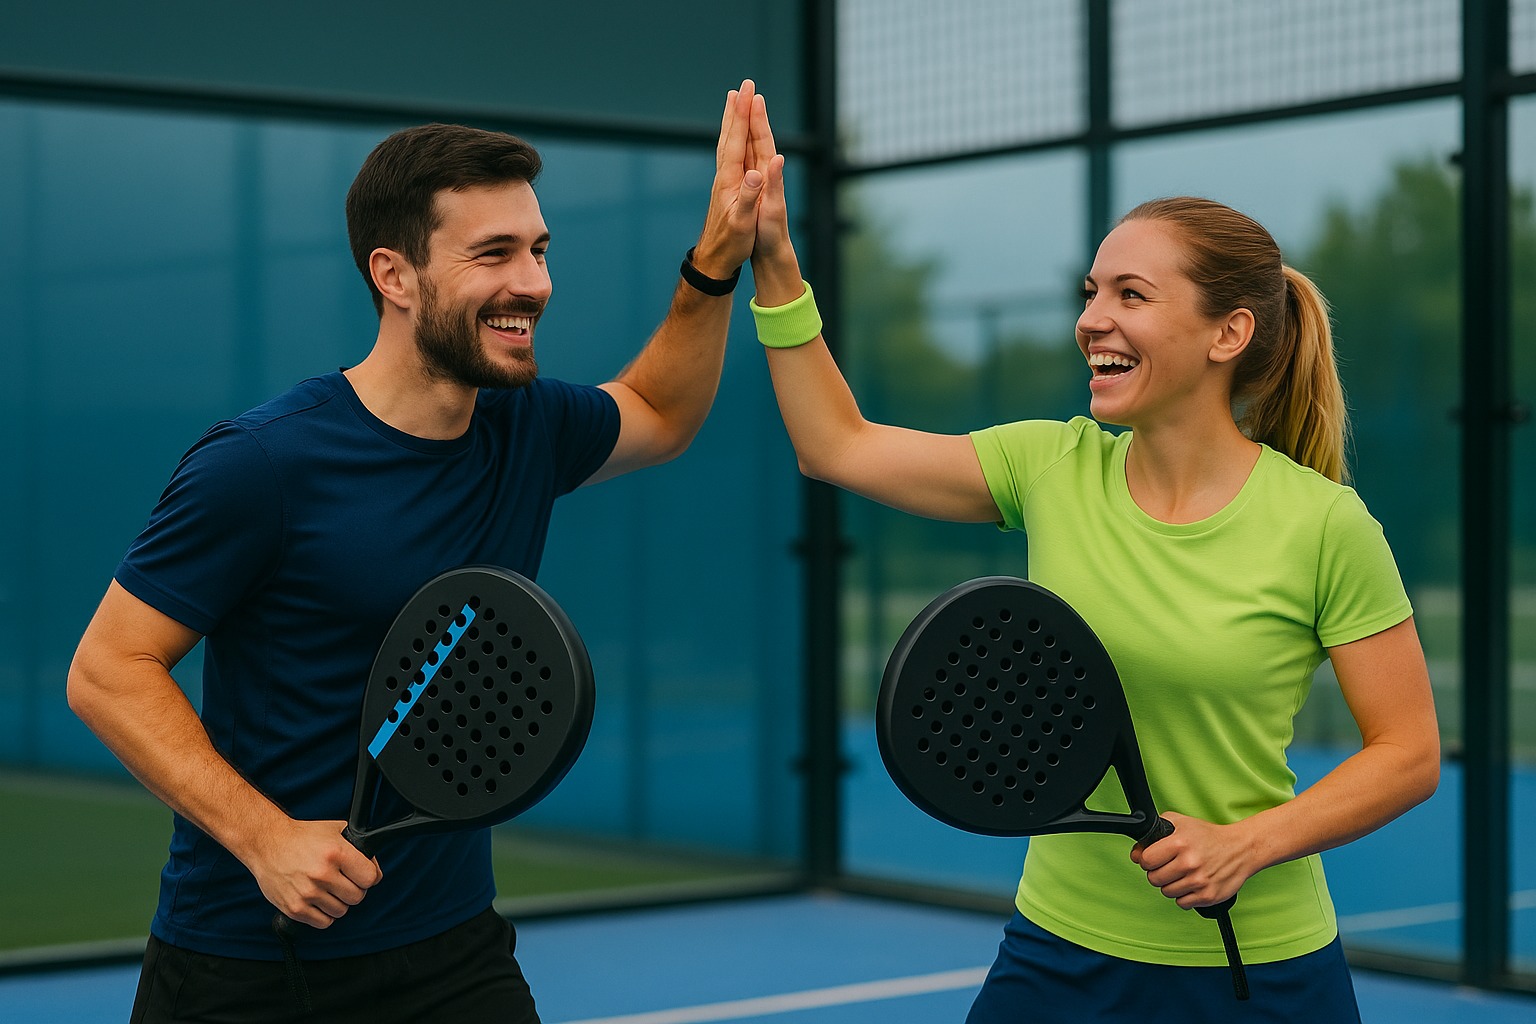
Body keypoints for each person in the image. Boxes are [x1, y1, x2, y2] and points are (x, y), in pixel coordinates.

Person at [66, 80, 775, 1024]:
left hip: (452, 947)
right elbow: (109, 669)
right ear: (395, 275)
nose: (534, 282)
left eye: (538, 249)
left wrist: (717, 259)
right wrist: (268, 839)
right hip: (249, 964)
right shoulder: (264, 464)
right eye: (494, 254)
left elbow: (659, 411)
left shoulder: (525, 425)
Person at [743, 110, 1439, 1020]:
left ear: (1226, 335)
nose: (1091, 320)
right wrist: (776, 265)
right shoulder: (1051, 467)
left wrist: (1248, 842)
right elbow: (835, 445)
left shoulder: (1324, 525)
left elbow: (1409, 752)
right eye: (1091, 291)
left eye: (1131, 296)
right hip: (1058, 951)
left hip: (1258, 965)